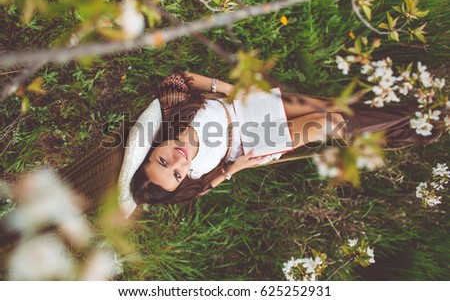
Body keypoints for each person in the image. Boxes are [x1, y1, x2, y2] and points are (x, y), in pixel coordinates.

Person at [58, 72, 442, 219]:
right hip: (258, 141)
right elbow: (207, 184)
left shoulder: (173, 115)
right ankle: (419, 113)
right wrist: (237, 167)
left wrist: (230, 89)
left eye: (164, 159)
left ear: (153, 148)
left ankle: (410, 126)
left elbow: (179, 78)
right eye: (177, 173)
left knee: (339, 111)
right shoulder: (193, 177)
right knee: (335, 123)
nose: (180, 160)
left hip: (249, 105)